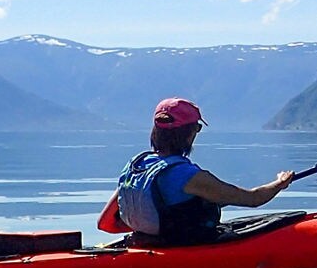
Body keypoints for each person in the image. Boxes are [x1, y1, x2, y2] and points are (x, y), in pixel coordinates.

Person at [115, 97, 294, 244]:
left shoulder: (136, 165)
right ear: (188, 132)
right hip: (177, 245)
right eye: (197, 128)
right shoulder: (189, 176)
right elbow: (254, 199)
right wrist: (280, 183)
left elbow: (106, 222)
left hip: (143, 240)